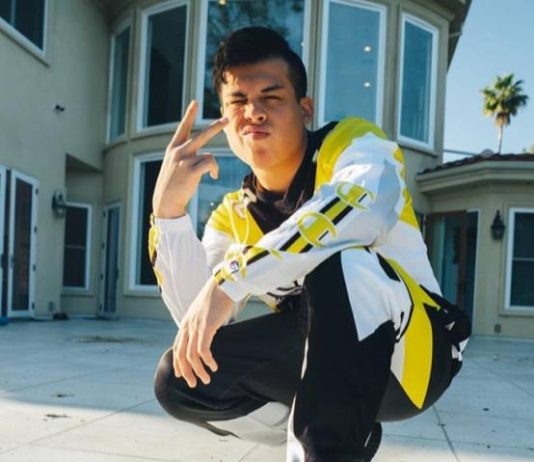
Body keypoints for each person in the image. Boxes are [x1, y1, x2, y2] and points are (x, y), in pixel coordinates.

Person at [150, 27, 470, 462]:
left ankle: (324, 446)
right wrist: (168, 215)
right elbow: (199, 324)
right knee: (181, 377)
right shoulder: (233, 214)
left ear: (304, 109)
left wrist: (232, 280)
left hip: (411, 359)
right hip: (320, 365)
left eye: (271, 97)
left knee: (343, 263)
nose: (254, 113)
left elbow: (361, 207)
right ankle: (336, 436)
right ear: (224, 120)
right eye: (238, 102)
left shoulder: (352, 146)